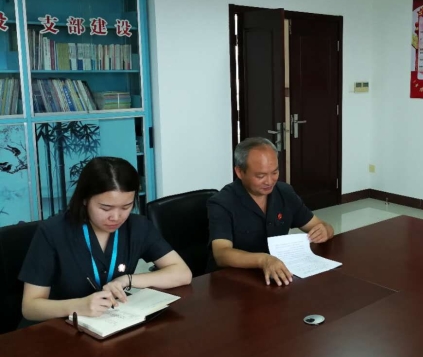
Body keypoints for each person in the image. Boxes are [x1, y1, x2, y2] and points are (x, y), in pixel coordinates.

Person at [19, 157, 192, 322]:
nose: (116, 217)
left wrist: (127, 280)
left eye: (126, 207)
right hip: (60, 328)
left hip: (112, 323)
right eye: (105, 208)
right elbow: (30, 307)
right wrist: (78, 306)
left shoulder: (138, 227)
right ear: (85, 199)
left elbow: (182, 274)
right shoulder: (53, 232)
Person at [208, 137, 334, 286]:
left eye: (274, 172)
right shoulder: (222, 202)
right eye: (260, 176)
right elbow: (221, 253)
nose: (269, 181)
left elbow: (319, 225)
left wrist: (325, 230)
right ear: (240, 172)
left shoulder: (285, 192)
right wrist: (263, 260)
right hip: (233, 282)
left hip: (276, 276)